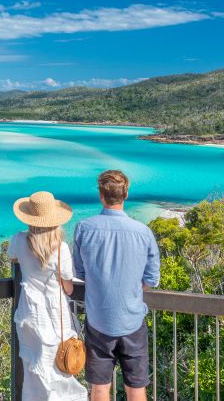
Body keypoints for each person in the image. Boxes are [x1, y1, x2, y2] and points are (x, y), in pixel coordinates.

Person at [73, 170, 160, 401]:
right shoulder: (144, 232)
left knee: (100, 387)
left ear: (101, 195)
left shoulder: (84, 228)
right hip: (132, 320)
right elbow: (151, 279)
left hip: (98, 320)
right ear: (126, 194)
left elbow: (79, 272)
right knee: (136, 388)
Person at [9, 191, 88, 401]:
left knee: (33, 370)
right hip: (55, 317)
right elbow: (69, 288)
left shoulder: (18, 240)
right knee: (59, 370)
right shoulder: (60, 249)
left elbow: (12, 257)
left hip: (29, 315)